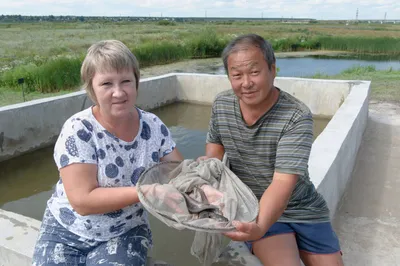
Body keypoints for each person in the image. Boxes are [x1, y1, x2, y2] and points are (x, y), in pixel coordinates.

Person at [32, 40, 183, 266]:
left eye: (126, 81)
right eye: (106, 84)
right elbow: (82, 201)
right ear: (92, 88)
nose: (118, 92)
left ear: (136, 83)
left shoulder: (153, 126)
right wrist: (147, 191)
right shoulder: (79, 130)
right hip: (66, 230)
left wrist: (204, 188)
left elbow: (179, 171)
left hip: (125, 231)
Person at [200, 34, 344, 266]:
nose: (246, 83)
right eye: (236, 75)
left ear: (272, 70)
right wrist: (207, 181)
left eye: (254, 72)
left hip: (303, 207)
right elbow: (214, 153)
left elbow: (281, 183)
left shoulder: (296, 115)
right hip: (255, 206)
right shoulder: (222, 105)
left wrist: (257, 229)